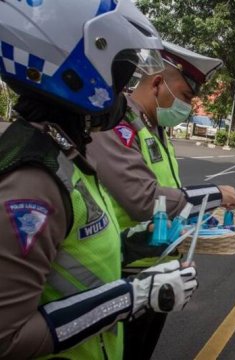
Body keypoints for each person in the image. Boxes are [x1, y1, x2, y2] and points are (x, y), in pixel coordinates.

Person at [0, 1, 198, 358]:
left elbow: (80, 252)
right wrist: (131, 296)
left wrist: (145, 252)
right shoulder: (33, 180)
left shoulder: (65, 152)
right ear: (76, 70)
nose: (123, 93)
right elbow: (8, 339)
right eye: (120, 76)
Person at [86, 41, 235, 359]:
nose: (188, 107)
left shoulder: (155, 129)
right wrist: (214, 195)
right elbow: (145, 199)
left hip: (160, 270)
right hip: (125, 276)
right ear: (158, 83)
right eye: (186, 97)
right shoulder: (117, 124)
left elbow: (172, 195)